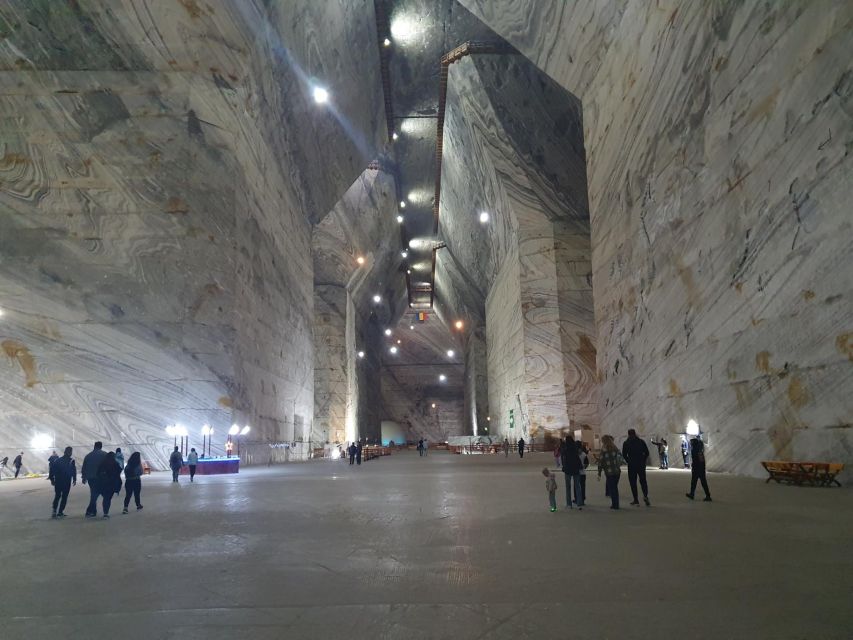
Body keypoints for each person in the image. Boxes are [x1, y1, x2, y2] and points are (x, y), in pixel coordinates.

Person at [622, 429, 651, 506]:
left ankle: (636, 499)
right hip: (641, 464)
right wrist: (643, 460)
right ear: (635, 433)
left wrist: (629, 461)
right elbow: (647, 453)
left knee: (633, 482)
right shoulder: (641, 442)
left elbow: (624, 455)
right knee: (643, 481)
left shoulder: (626, 443)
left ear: (628, 434)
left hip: (632, 465)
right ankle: (645, 496)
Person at [597, 435, 624, 509]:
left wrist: (599, 473)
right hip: (617, 471)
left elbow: (600, 462)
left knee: (613, 489)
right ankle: (616, 503)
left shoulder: (604, 450)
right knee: (615, 488)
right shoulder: (615, 449)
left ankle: (615, 505)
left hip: (609, 472)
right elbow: (621, 459)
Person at [48, 446, 76, 518]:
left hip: (58, 481)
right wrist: (74, 479)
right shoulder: (71, 460)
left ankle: (54, 511)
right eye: (70, 452)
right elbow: (73, 471)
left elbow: (52, 470)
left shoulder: (57, 460)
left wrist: (52, 479)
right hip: (66, 481)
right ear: (69, 452)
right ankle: (60, 512)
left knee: (57, 496)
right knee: (64, 496)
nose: (71, 453)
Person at [81, 441, 107, 517]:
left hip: (91, 479)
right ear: (101, 446)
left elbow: (84, 467)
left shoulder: (88, 456)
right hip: (102, 478)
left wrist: (84, 477)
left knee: (93, 495)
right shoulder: (105, 455)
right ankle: (95, 511)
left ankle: (92, 511)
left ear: (94, 446)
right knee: (104, 495)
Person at [686, 437, 712, 501]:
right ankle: (692, 494)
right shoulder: (697, 449)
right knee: (695, 482)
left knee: (701, 482)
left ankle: (707, 496)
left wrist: (699, 467)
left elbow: (701, 460)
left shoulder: (697, 450)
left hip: (698, 469)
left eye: (691, 442)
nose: (690, 443)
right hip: (698, 468)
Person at [96, 451, 122, 518]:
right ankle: (106, 512)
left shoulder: (102, 464)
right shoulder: (115, 464)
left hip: (103, 484)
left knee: (106, 498)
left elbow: (98, 473)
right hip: (112, 484)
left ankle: (105, 512)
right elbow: (119, 472)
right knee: (108, 498)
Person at [560, 435, 583, 510]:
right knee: (577, 486)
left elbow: (563, 459)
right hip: (576, 468)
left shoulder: (565, 449)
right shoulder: (575, 449)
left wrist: (563, 466)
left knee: (568, 487)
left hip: (568, 469)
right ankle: (579, 503)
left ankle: (569, 504)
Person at [576, 441, 589, 506]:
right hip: (583, 473)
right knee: (583, 487)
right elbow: (587, 463)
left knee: (576, 487)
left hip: (576, 473)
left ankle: (577, 499)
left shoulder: (574, 454)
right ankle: (583, 500)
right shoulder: (584, 454)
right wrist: (583, 467)